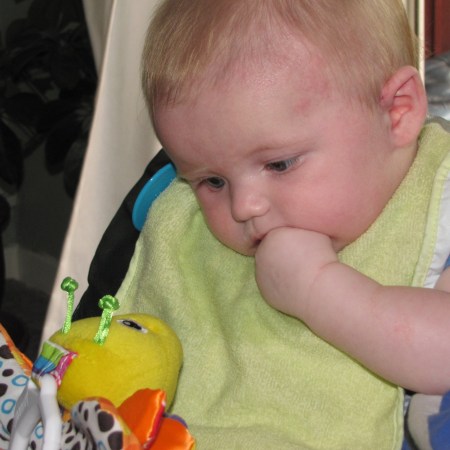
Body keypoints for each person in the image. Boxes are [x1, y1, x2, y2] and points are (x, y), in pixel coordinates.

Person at [77, 0, 450, 448]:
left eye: (279, 164)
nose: (244, 206)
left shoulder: (438, 203)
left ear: (397, 112)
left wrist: (317, 289)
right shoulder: (186, 236)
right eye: (212, 181)